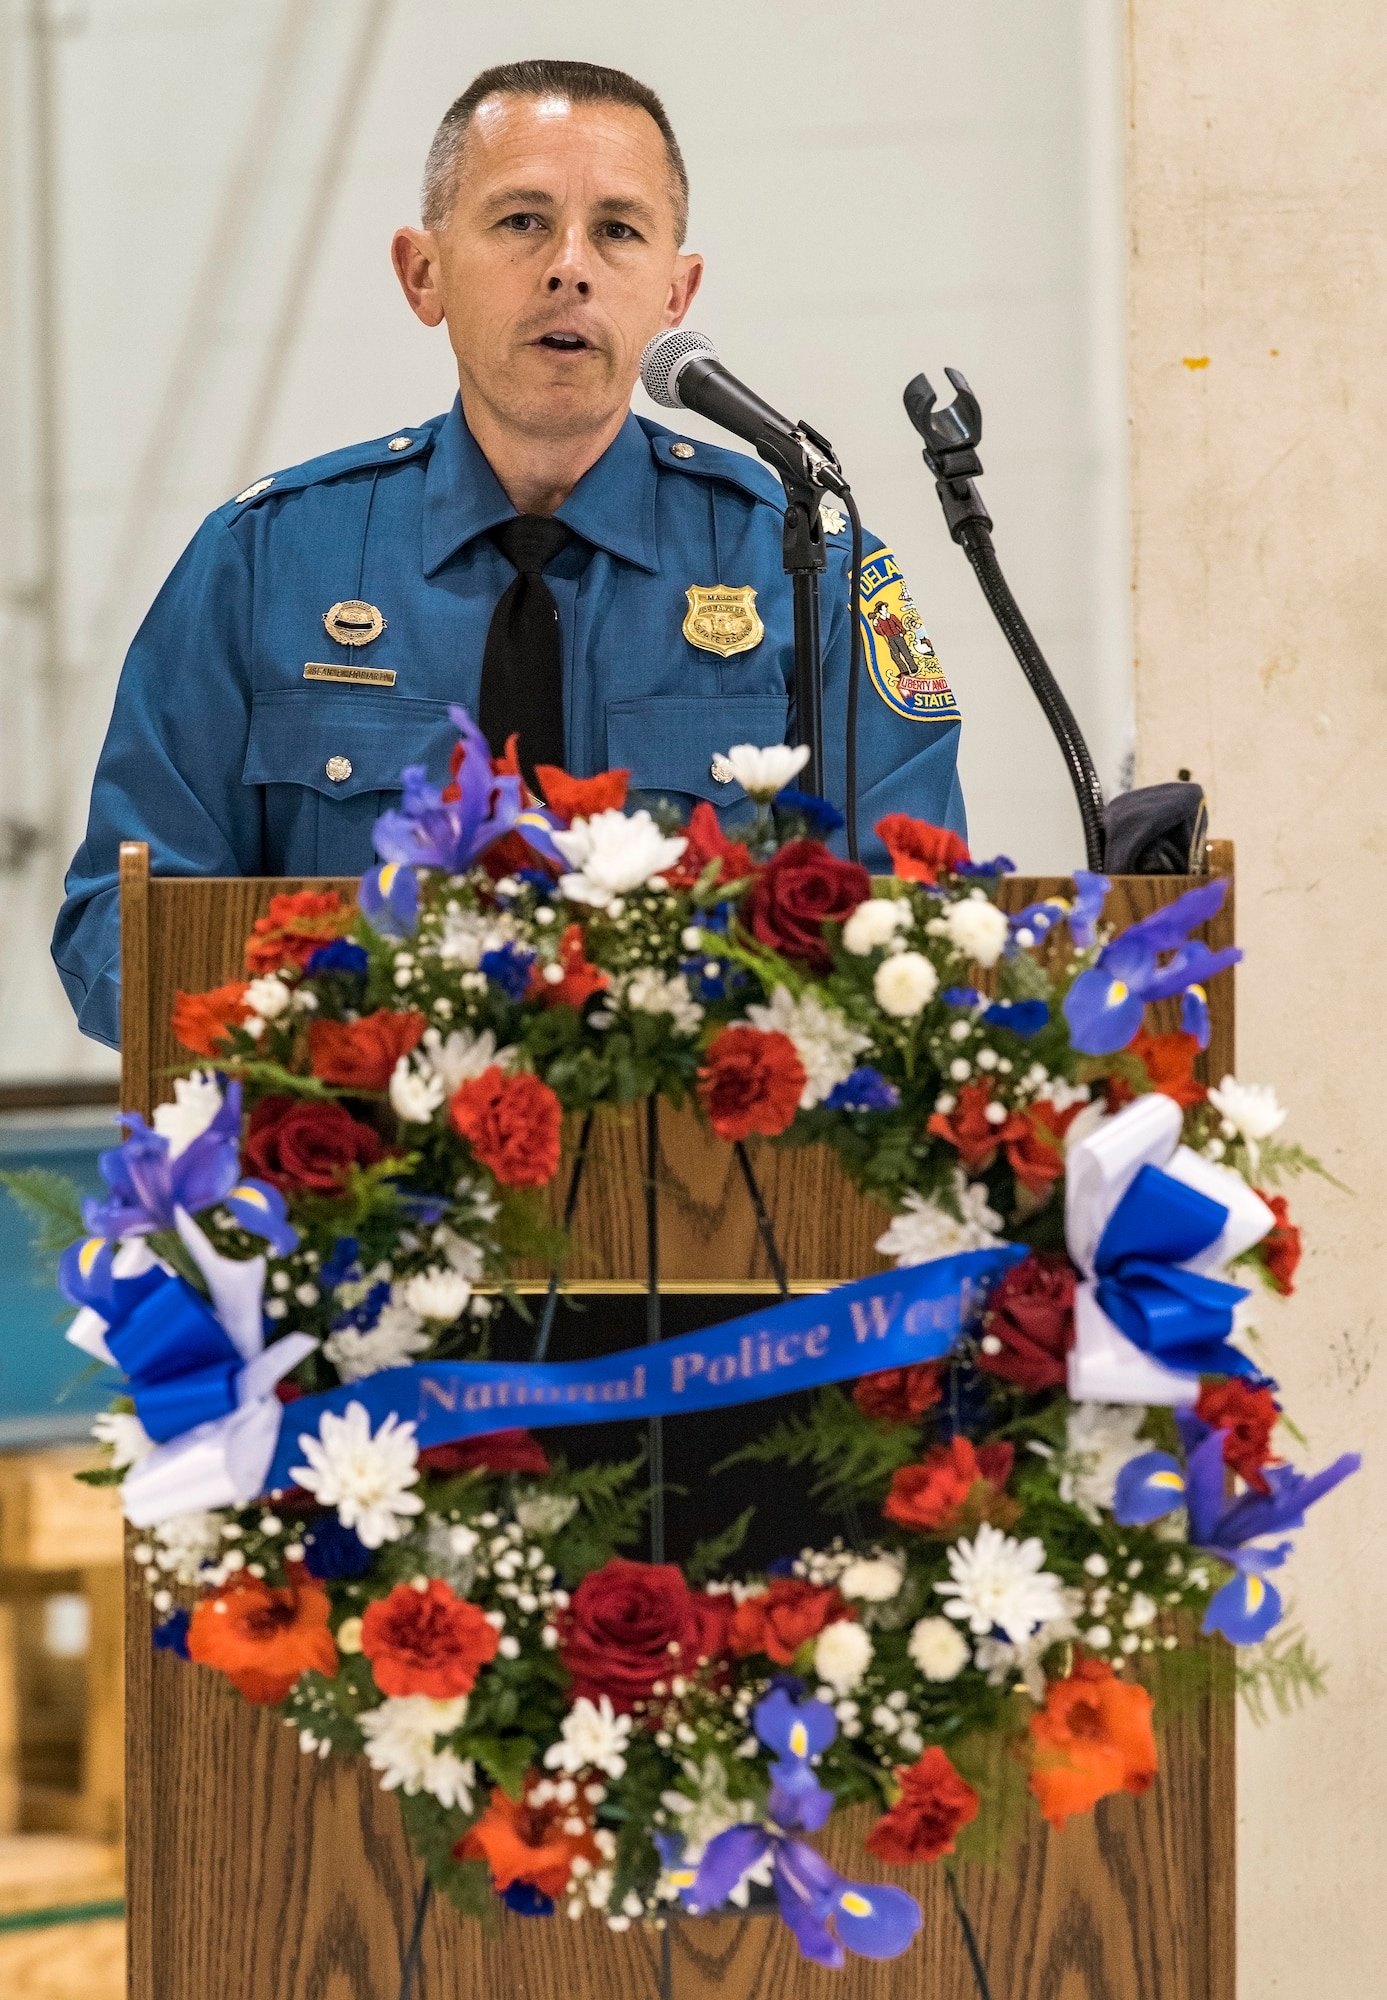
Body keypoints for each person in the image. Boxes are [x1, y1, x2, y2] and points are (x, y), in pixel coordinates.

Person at [53, 58, 965, 1050]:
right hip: (360, 1181)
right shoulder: (265, 562)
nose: (569, 265)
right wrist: (338, 1038)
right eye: (522, 220)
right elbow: (120, 930)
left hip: (711, 1182)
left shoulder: (798, 562)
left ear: (675, 291)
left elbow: (915, 919)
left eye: (617, 230)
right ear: (423, 272)